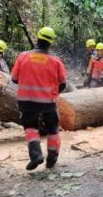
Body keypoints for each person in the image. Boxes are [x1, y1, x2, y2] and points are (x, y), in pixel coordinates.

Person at [11, 27, 67, 170]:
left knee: (30, 127)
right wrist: (54, 94)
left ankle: (36, 155)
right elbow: (63, 83)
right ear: (51, 42)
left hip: (26, 101)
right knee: (53, 129)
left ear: (38, 38)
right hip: (48, 101)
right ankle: (52, 157)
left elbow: (14, 79)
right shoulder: (56, 61)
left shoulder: (23, 56)